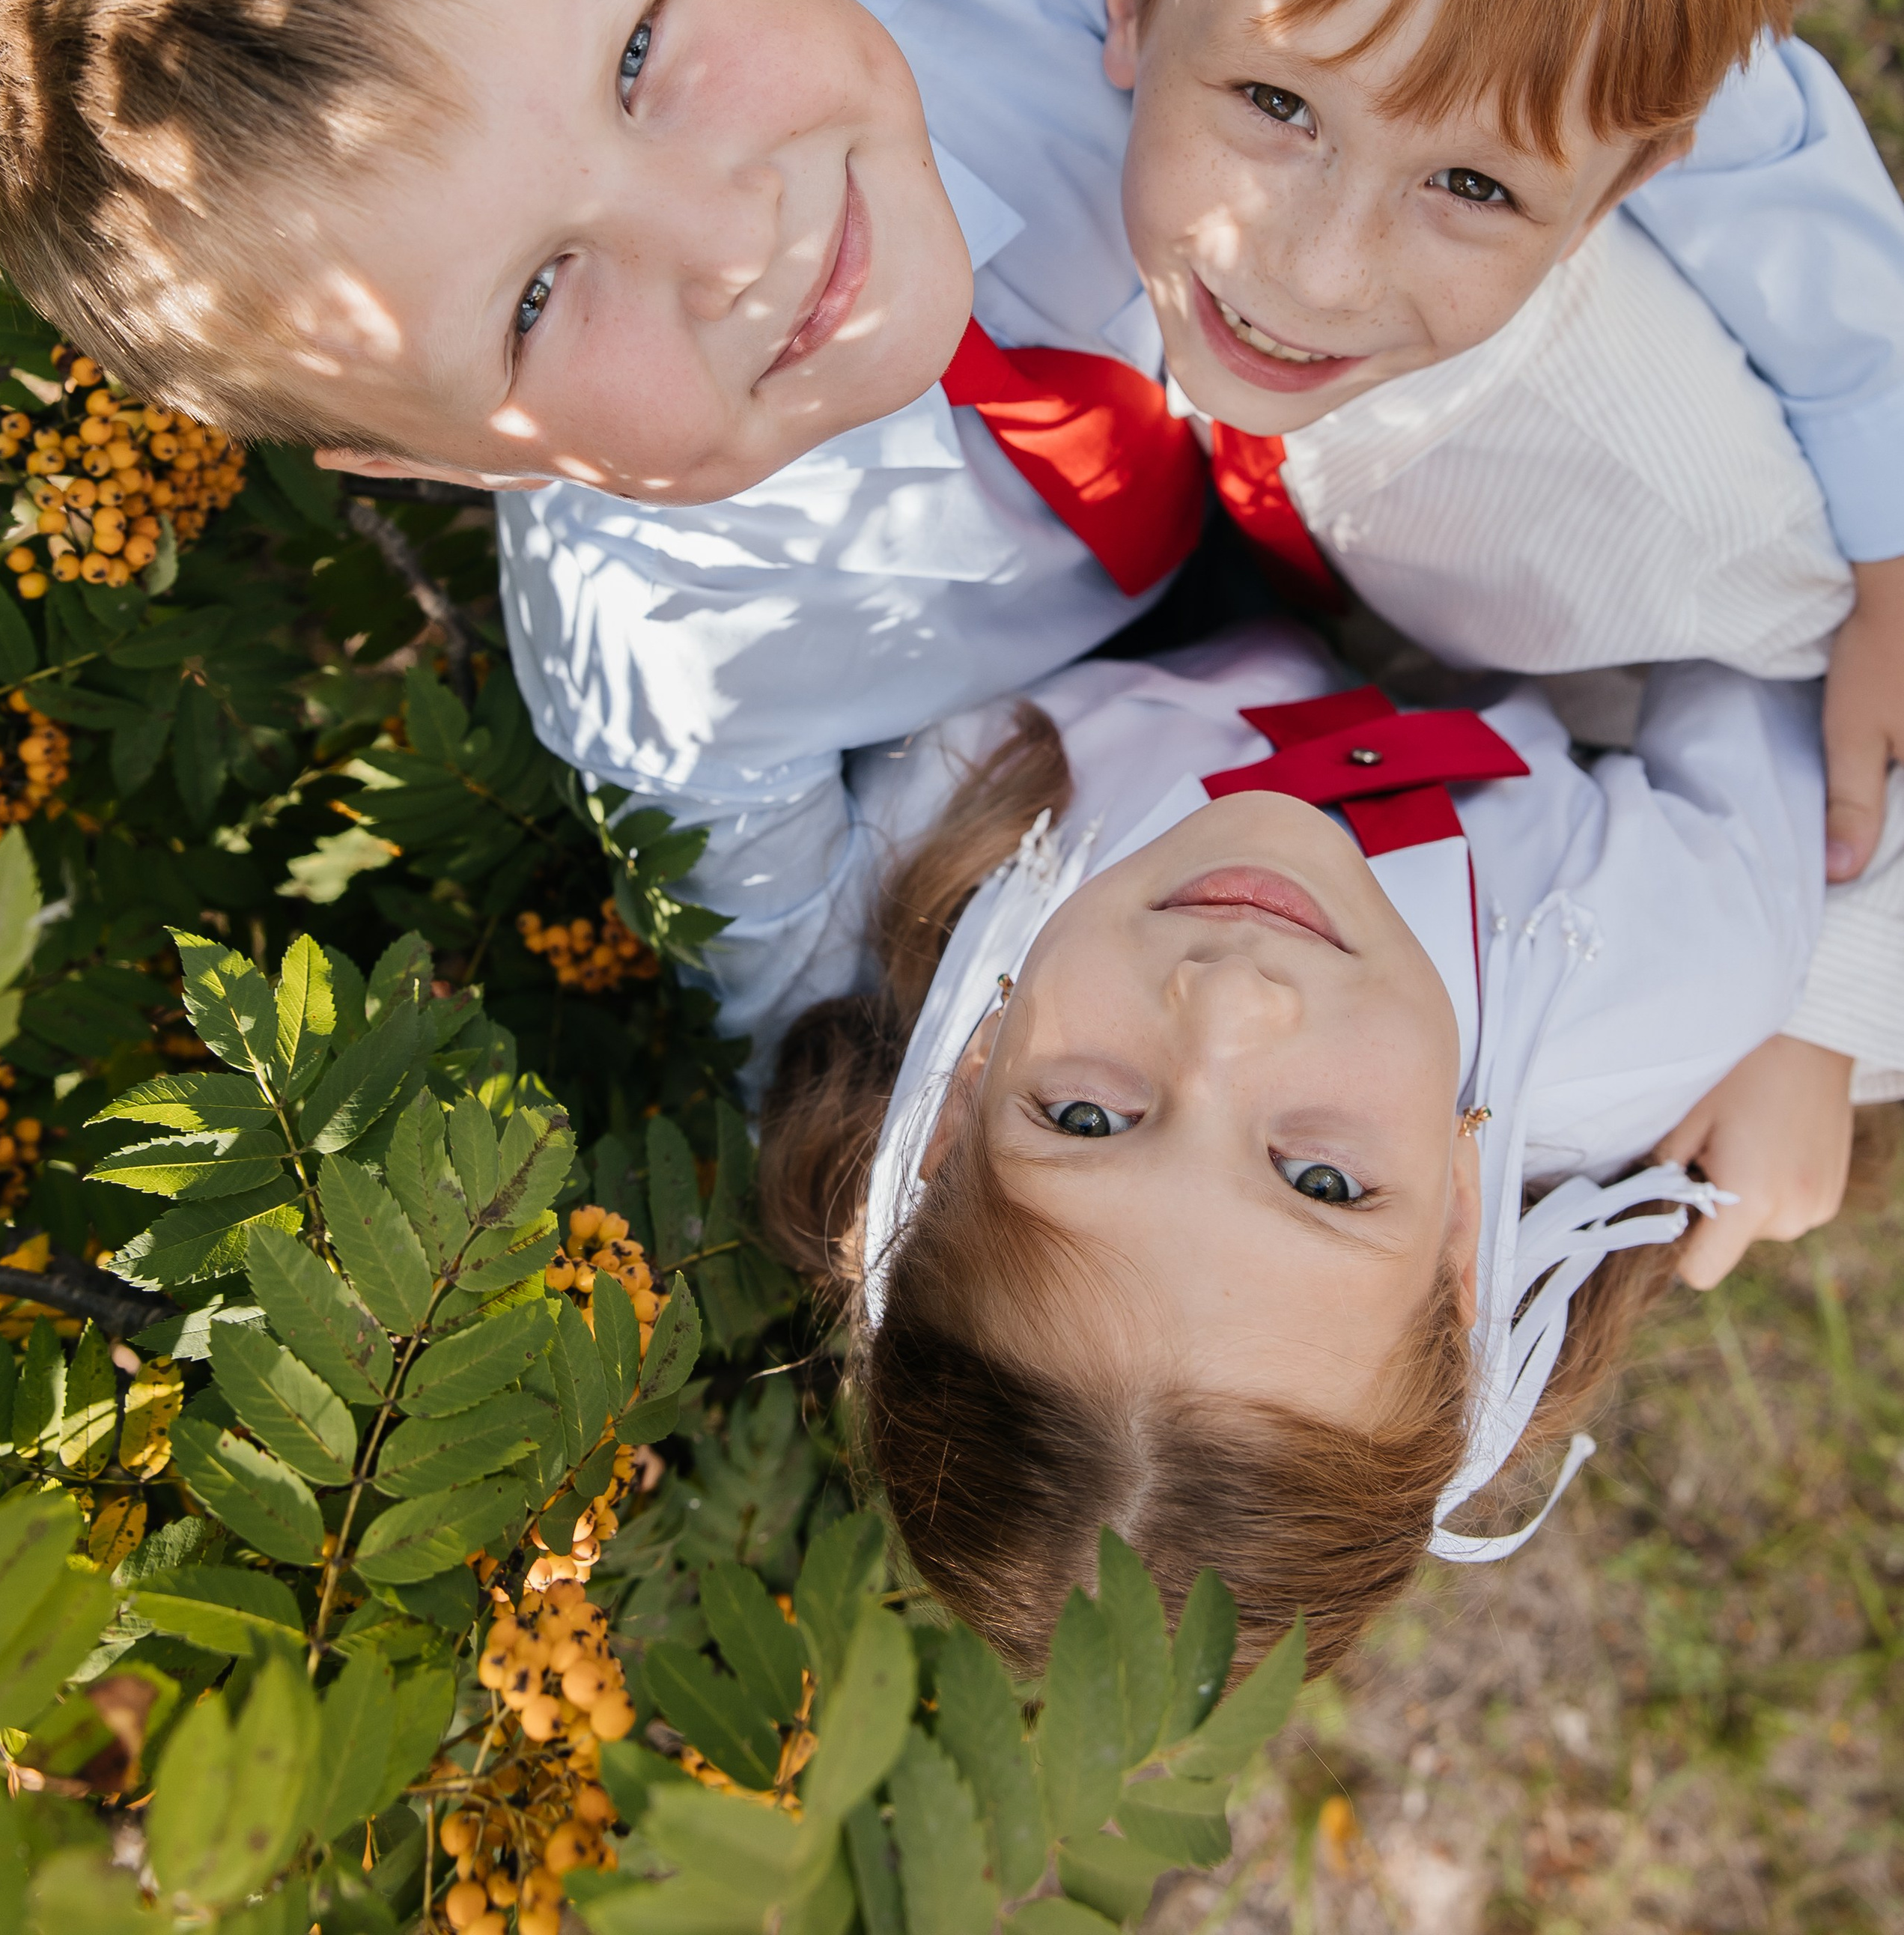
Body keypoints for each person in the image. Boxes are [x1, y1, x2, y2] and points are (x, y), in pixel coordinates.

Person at [0, 0, 1900, 1242]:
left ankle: (1820, 825)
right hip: (1165, 748)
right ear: (416, 462)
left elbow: (1565, 31)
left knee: (1674, 450)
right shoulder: (670, 682)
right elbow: (818, 1001)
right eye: (541, 298)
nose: (735, 231)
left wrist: (1889, 491)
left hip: (1378, 423)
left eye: (644, 49)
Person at [758, 623, 1844, 1677]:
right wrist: (1834, 1000)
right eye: (1321, 1183)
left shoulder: (946, 813)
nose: (1233, 1001)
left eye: (1087, 1119)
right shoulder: (1671, 971)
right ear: (1461, 1231)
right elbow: (1783, 630)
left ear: (959, 1103)